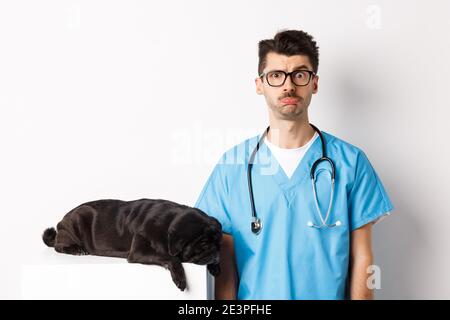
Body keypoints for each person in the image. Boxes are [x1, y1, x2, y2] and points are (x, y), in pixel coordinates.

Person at [194, 29, 394, 300]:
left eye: (300, 75)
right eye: (276, 75)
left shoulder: (351, 163)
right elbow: (225, 269)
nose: (288, 86)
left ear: (314, 83)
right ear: (259, 84)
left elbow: (362, 260)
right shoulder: (232, 168)